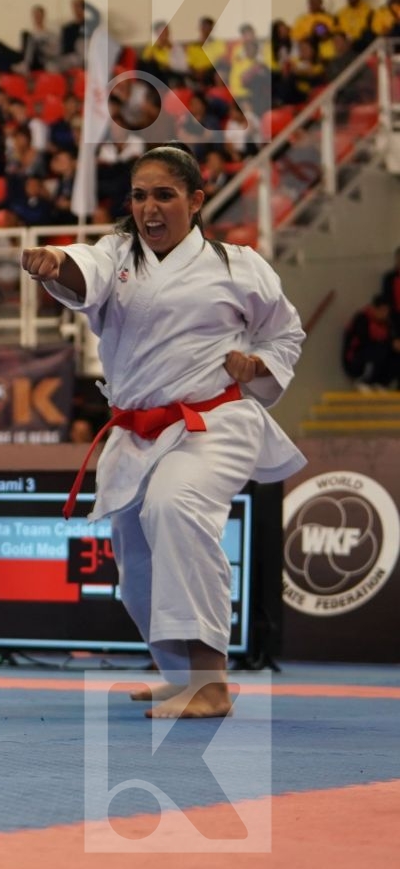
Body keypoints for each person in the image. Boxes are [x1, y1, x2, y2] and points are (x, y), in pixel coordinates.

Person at [22, 146, 305, 719]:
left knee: (174, 507)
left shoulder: (237, 265)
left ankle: (212, 681)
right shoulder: (117, 253)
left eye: (165, 195)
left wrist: (257, 367)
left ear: (196, 201)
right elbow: (86, 271)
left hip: (213, 420)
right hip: (139, 430)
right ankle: (181, 676)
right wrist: (57, 261)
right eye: (140, 195)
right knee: (137, 549)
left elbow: (285, 335)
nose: (150, 208)